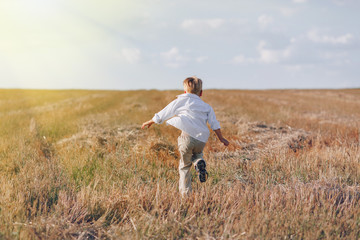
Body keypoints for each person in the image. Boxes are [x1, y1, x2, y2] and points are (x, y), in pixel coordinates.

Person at [141, 76, 229, 196]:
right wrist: (221, 138)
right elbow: (214, 124)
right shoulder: (206, 107)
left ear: (185, 91)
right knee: (197, 154)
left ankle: (185, 195)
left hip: (186, 138)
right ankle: (199, 162)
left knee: (184, 166)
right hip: (201, 140)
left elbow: (165, 112)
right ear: (201, 93)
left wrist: (151, 121)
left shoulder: (180, 101)